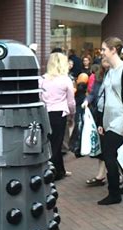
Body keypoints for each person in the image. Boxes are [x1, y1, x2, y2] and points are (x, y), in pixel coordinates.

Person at [96, 37, 123, 205]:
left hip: (120, 118)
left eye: (104, 49)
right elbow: (104, 98)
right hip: (108, 118)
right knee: (120, 153)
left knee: (109, 154)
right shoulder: (110, 71)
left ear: (113, 50)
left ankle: (114, 193)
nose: (102, 52)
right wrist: (100, 122)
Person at [39, 52, 75, 180]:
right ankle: (52, 173)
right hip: (59, 114)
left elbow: (39, 98)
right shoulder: (66, 80)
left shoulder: (42, 79)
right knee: (56, 144)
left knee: (49, 142)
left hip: (45, 113)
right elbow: (71, 101)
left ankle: (60, 171)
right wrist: (72, 114)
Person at [81, 58, 110, 186]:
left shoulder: (117, 74)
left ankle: (119, 174)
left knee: (113, 147)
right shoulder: (99, 76)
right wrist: (87, 101)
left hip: (113, 116)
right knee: (103, 145)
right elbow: (93, 93)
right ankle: (101, 175)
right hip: (100, 114)